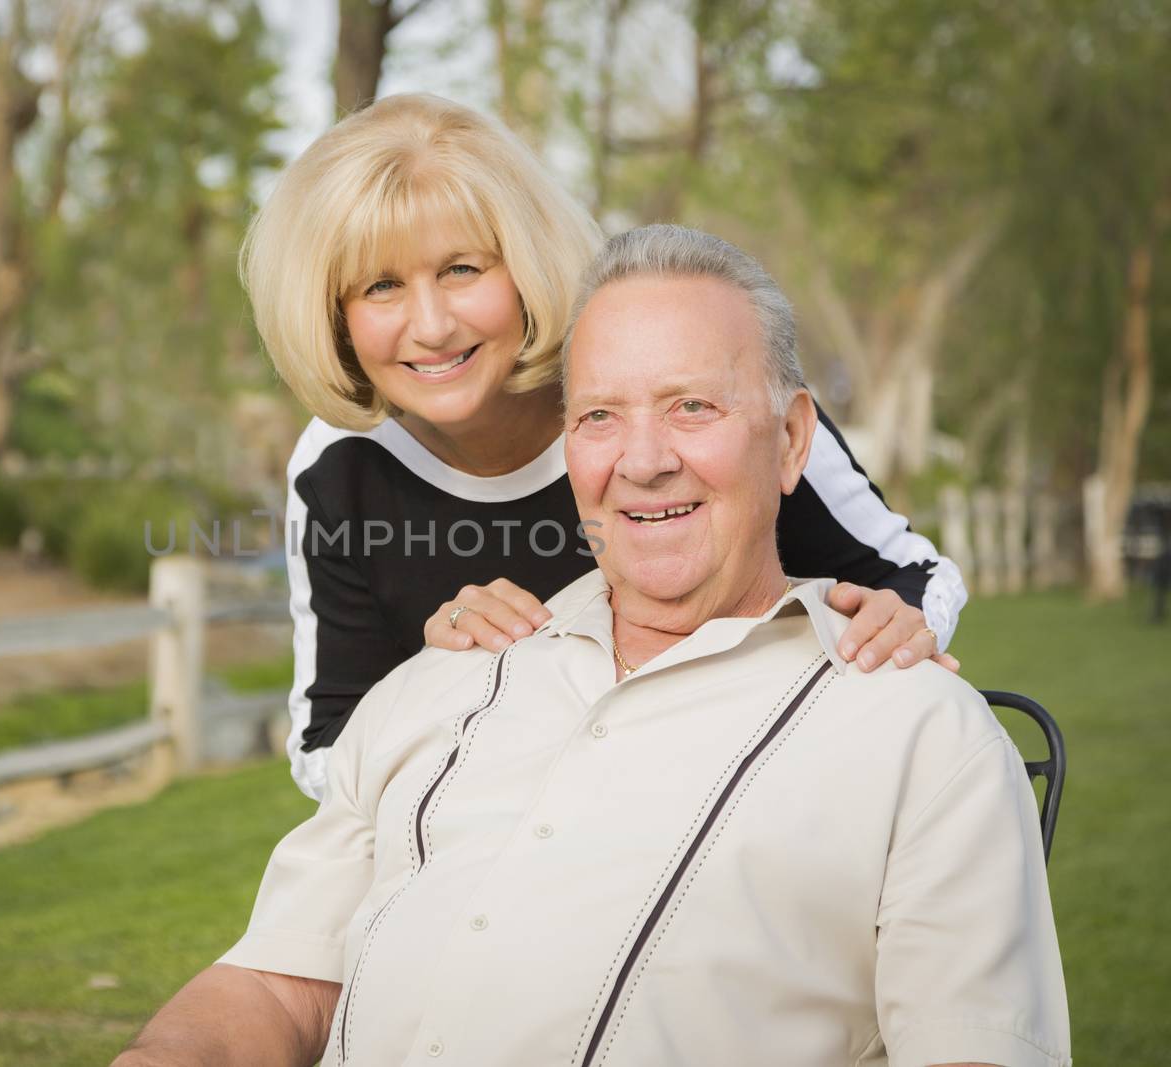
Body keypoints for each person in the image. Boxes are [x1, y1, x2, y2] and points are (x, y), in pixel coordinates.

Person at [114, 225, 1068, 1067]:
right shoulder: (444, 678)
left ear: (789, 441)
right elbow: (281, 986)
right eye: (600, 416)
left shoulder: (917, 734)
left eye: (692, 407)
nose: (642, 459)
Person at [242, 93, 969, 800]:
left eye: (462, 268)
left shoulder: (667, 392)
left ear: (522, 262)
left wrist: (890, 628)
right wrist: (436, 674)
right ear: (333, 314)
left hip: (744, 785)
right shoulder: (337, 465)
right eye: (381, 286)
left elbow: (914, 577)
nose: (430, 324)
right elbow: (327, 750)